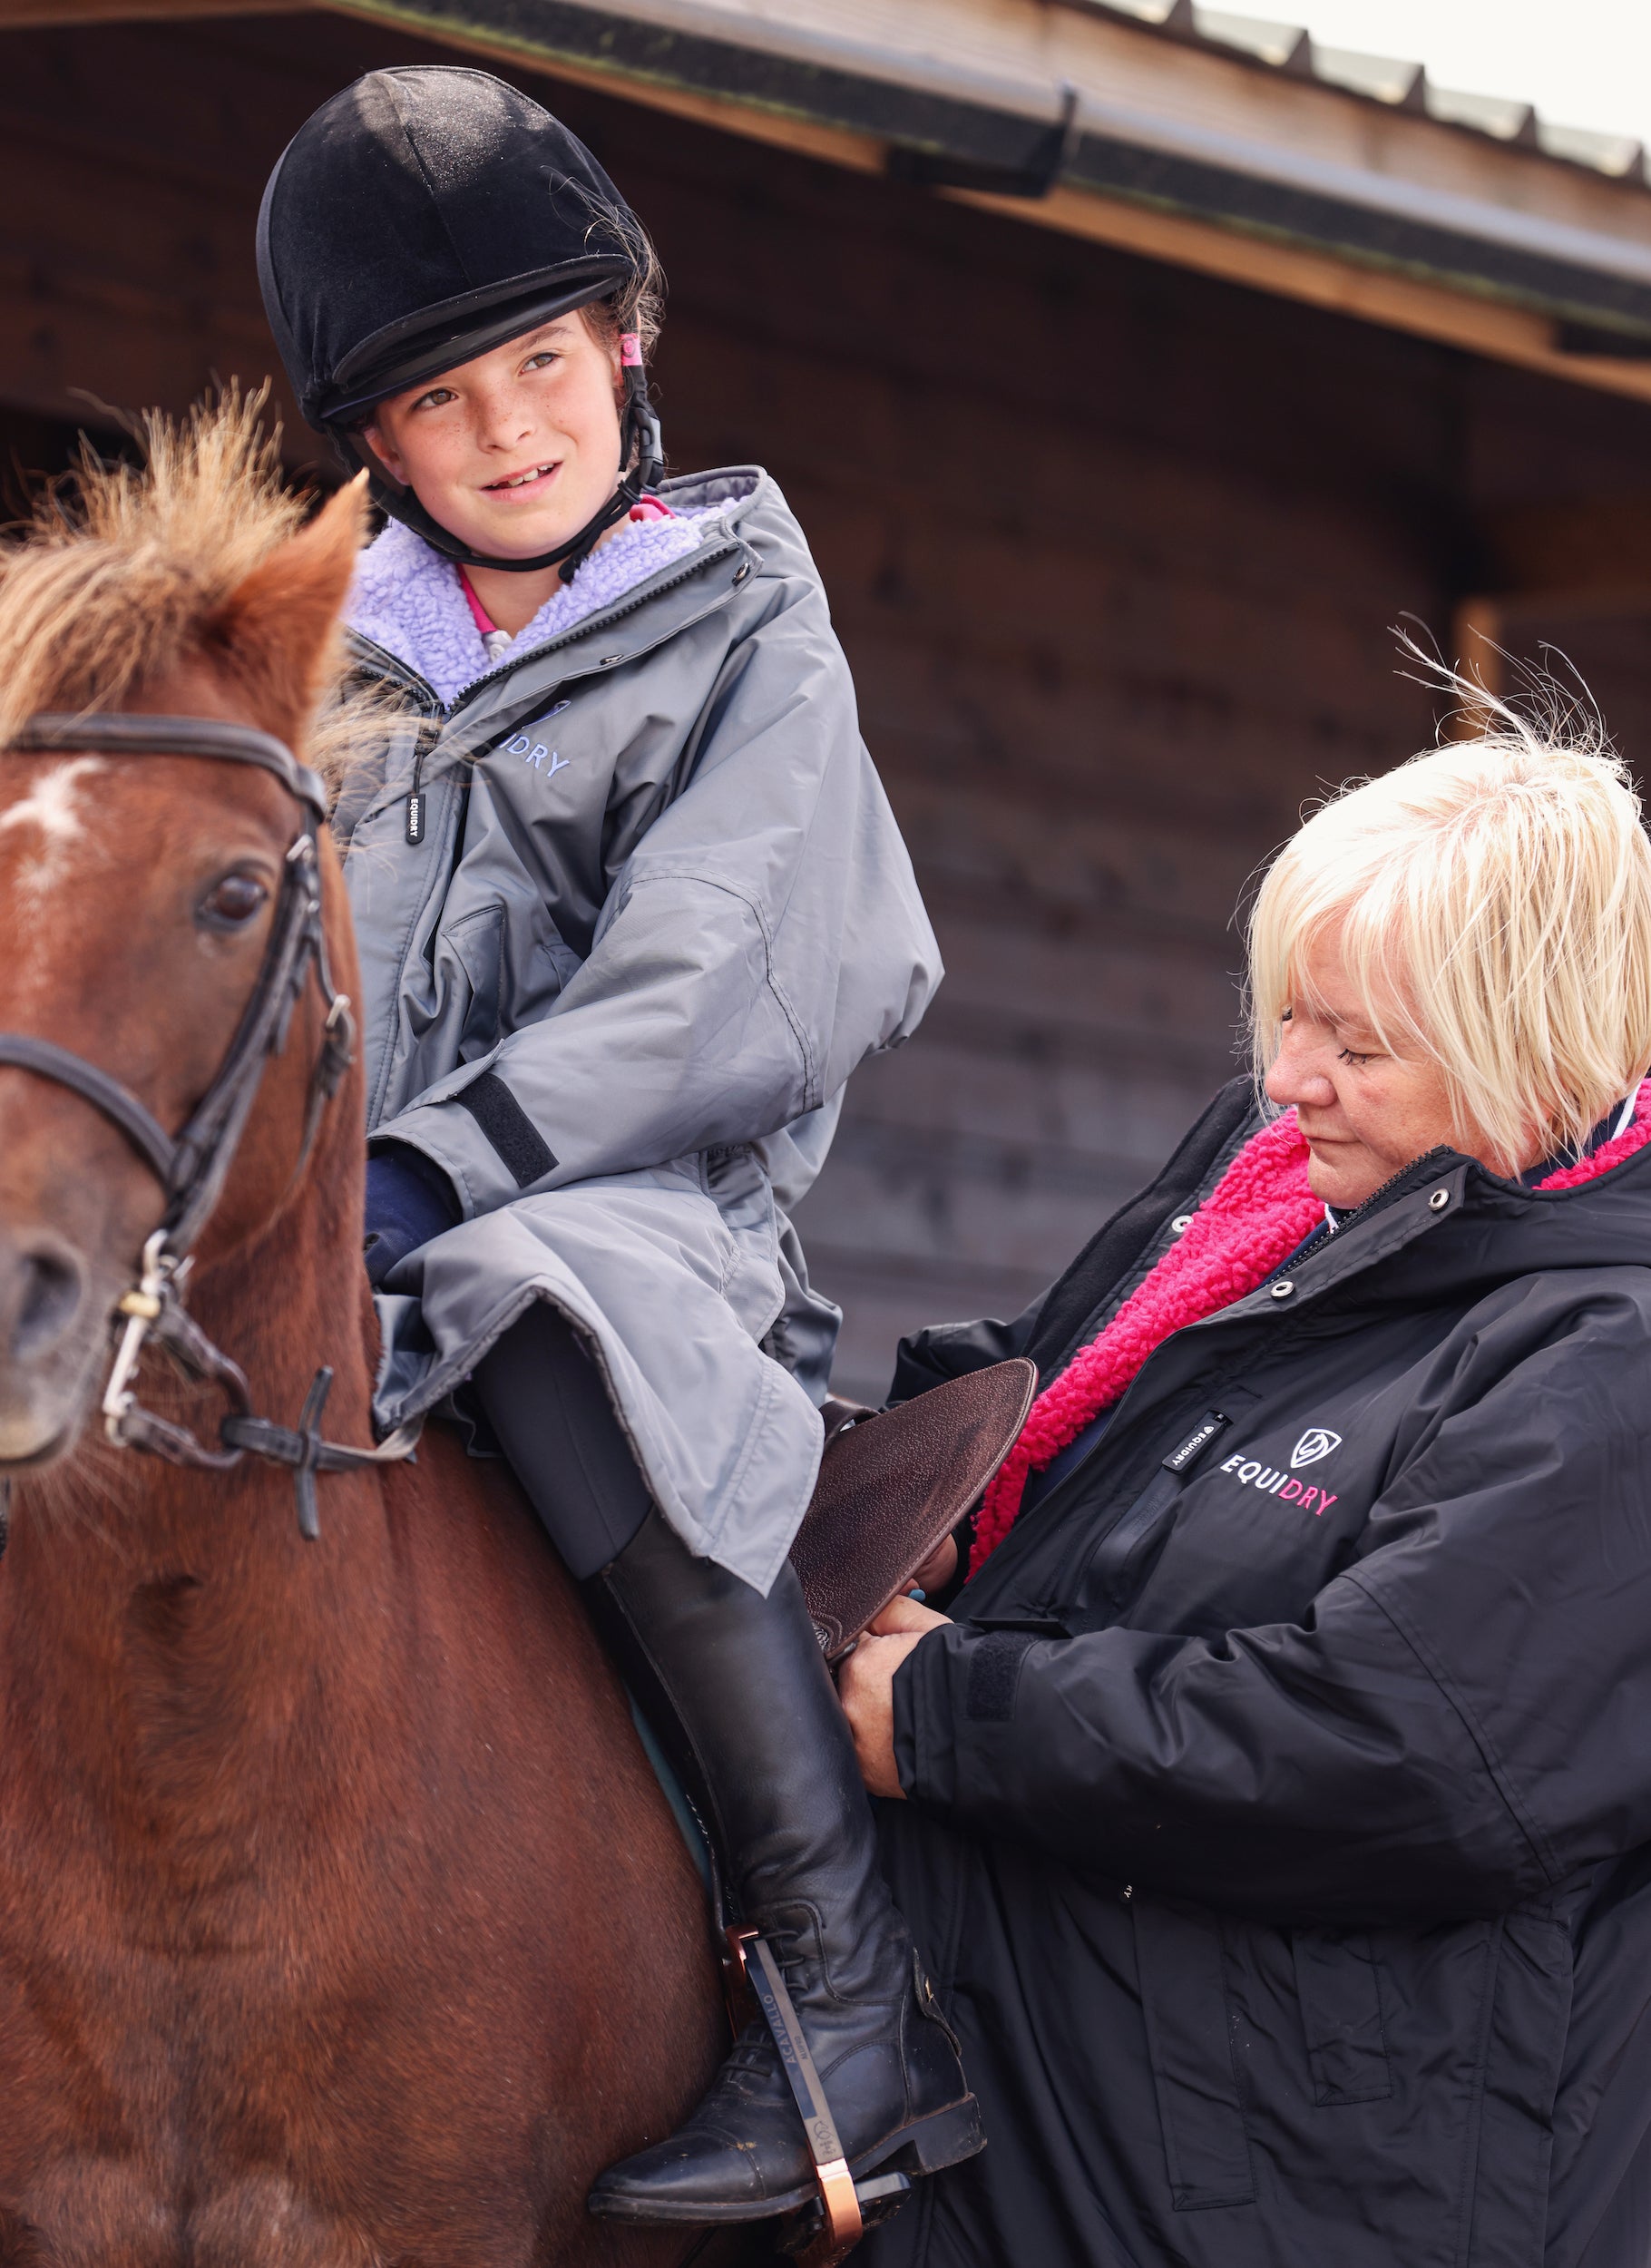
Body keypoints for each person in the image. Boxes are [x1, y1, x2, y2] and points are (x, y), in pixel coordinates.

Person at [256, 64, 981, 2229]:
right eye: (447, 400)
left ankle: (844, 1978)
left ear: (627, 348)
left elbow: (723, 974)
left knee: (546, 1288)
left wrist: (440, 1167)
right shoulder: (316, 664)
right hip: (337, 1229)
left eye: (543, 365)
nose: (510, 429)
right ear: (375, 442)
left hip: (647, 1226)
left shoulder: (746, 615)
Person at [839, 707, 1651, 2268]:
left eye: (1358, 1046)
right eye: (1287, 1019)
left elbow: (1401, 1754)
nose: (1290, 1079)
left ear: (1534, 1039)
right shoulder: (1282, 1201)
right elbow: (1041, 1406)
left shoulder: (1604, 1355)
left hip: (1303, 2186)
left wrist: (949, 1717)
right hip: (1055, 2096)